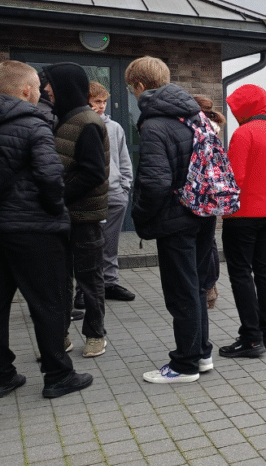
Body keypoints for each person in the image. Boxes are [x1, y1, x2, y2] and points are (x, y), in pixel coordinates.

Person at [0, 60, 93, 399]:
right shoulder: (33, 125)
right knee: (49, 303)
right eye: (38, 88)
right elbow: (50, 177)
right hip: (35, 230)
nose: (42, 92)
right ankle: (58, 375)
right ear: (26, 90)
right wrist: (56, 211)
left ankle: (3, 374)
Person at [128, 56, 213, 384]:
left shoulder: (154, 123)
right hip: (203, 210)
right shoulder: (195, 115)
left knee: (182, 292)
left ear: (139, 86)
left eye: (131, 89)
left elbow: (155, 183)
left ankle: (184, 365)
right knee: (196, 285)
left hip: (176, 218)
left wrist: (140, 214)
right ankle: (201, 354)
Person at [219, 84, 266, 359]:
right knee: (265, 271)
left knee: (241, 273)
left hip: (243, 215)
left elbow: (234, 178)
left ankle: (251, 338)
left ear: (245, 107)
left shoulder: (243, 133)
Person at [45, 63, 111, 360]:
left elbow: (93, 173)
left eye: (50, 84)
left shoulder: (87, 122)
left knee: (89, 279)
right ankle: (61, 337)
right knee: (59, 280)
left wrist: (58, 196)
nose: (46, 89)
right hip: (61, 216)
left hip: (84, 217)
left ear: (65, 86)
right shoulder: (60, 119)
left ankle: (95, 334)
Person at [87, 82, 136, 303]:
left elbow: (124, 159)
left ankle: (110, 283)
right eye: (96, 101)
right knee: (89, 244)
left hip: (115, 193)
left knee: (110, 243)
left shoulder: (115, 128)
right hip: (88, 197)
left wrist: (125, 187)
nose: (101, 106)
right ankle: (87, 288)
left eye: (104, 101)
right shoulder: (78, 125)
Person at [192, 94, 227, 310]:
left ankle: (208, 286)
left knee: (205, 244)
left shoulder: (202, 130)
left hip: (202, 193)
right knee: (210, 241)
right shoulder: (213, 128)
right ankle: (210, 286)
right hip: (211, 193)